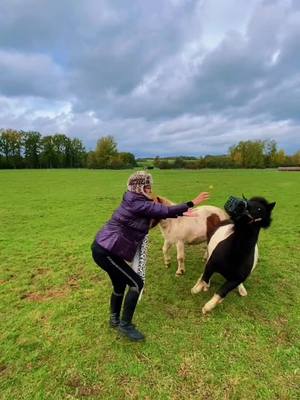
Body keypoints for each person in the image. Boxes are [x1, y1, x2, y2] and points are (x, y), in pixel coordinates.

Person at [91, 171, 209, 341]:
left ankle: (114, 320)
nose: (150, 188)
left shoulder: (134, 199)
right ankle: (125, 325)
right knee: (136, 283)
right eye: (147, 185)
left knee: (119, 284)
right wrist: (192, 203)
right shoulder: (136, 202)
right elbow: (160, 209)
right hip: (106, 251)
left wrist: (182, 213)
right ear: (138, 187)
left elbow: (160, 211)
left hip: (106, 248)